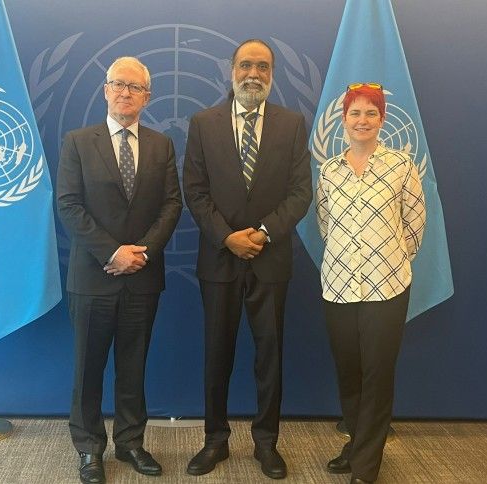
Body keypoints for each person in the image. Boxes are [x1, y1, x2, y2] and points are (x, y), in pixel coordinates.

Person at [183, 39, 312, 480]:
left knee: (269, 357)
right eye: (245, 65)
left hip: (270, 260)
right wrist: (227, 237)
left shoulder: (293, 125)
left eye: (262, 66)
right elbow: (195, 192)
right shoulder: (203, 123)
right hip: (219, 260)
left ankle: (266, 444)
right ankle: (214, 441)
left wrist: (262, 233)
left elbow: (300, 194)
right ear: (231, 70)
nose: (252, 73)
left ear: (271, 74)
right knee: (216, 355)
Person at [56, 56, 182, 484]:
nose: (125, 92)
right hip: (93, 277)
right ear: (105, 90)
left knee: (134, 365)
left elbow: (172, 204)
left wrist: (140, 252)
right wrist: (113, 252)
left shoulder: (162, 145)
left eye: (135, 87)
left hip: (143, 276)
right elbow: (68, 204)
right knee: (87, 368)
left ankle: (130, 443)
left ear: (147, 97)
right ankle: (89, 449)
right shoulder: (77, 141)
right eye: (118, 84)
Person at [316, 83, 425, 484]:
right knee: (349, 371)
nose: (362, 121)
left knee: (377, 374)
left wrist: (387, 259)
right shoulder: (328, 170)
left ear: (382, 120)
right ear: (343, 118)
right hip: (339, 286)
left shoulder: (400, 166)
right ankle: (356, 442)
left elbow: (414, 225)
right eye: (355, 113)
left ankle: (366, 465)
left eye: (371, 113)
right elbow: (326, 225)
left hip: (387, 287)